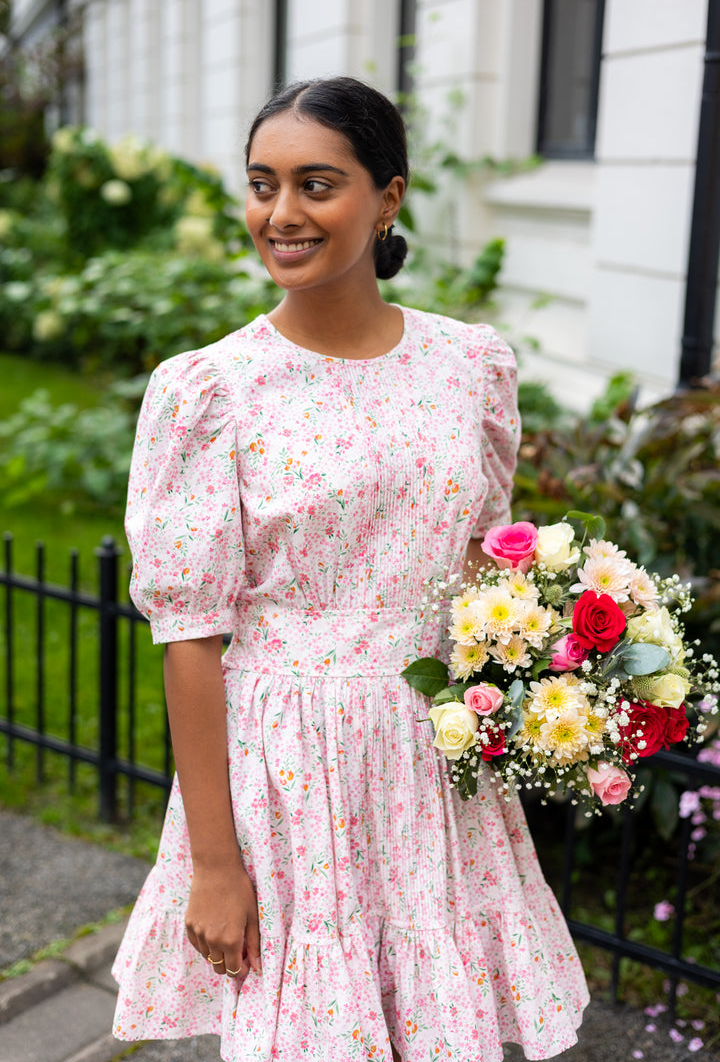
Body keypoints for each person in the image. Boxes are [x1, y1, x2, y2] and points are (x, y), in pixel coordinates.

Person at [112, 76, 589, 1062]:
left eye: (317, 184)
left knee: (438, 1018)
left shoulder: (472, 365)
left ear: (387, 198)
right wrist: (214, 863)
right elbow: (190, 638)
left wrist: (545, 665)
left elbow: (482, 563)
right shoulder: (211, 393)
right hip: (288, 765)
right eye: (262, 184)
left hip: (435, 761)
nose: (280, 215)